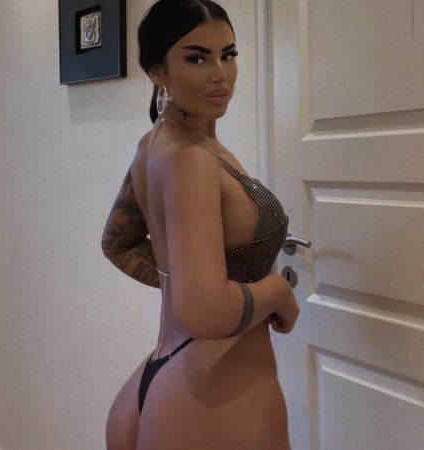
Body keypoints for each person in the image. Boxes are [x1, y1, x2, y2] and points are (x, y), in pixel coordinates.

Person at [101, 1, 299, 449]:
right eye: (196, 58)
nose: (220, 74)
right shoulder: (192, 160)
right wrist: (278, 292)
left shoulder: (154, 145)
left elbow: (118, 243)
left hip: (168, 377)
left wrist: (191, 282)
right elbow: (206, 313)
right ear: (157, 72)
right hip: (215, 393)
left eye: (228, 54)